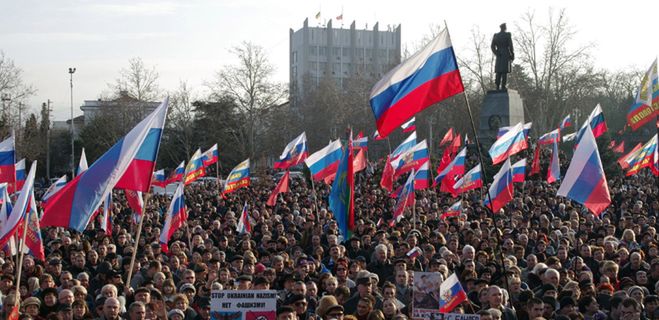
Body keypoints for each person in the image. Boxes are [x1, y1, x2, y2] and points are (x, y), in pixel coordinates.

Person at [491, 23, 514, 90]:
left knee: (498, 71)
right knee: (504, 71)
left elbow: (492, 46)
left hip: (499, 54)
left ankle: (497, 86)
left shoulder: (496, 35)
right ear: (504, 28)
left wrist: (496, 53)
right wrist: (512, 54)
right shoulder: (507, 35)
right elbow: (510, 46)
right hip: (505, 53)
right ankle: (503, 86)